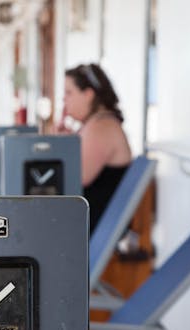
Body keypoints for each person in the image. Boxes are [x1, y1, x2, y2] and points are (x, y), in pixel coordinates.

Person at [61, 63, 132, 232]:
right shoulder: (97, 123)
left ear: (88, 95)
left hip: (94, 226)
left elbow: (74, 180)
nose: (64, 99)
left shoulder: (101, 127)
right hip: (90, 219)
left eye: (69, 93)